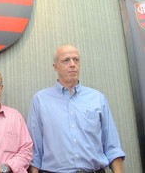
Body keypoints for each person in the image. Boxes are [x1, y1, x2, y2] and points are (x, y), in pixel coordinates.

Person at [27, 44, 125, 173]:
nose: (72, 64)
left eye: (76, 59)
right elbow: (34, 152)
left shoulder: (97, 98)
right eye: (66, 60)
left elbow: (112, 146)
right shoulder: (40, 100)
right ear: (55, 66)